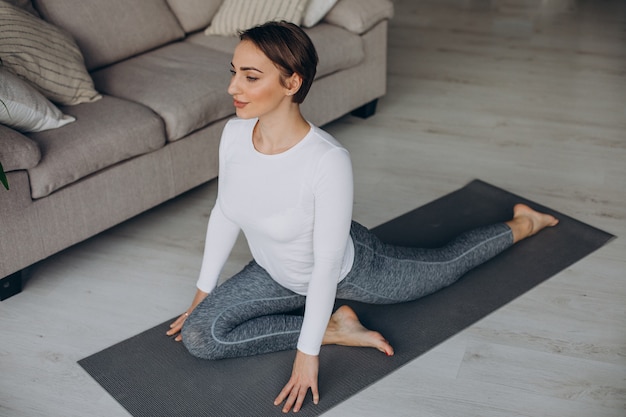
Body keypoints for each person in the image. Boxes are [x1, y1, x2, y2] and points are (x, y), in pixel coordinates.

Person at [166, 21, 559, 413]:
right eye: (233, 73)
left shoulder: (326, 159)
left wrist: (307, 354)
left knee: (445, 266)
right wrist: (203, 295)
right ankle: (336, 329)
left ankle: (524, 223)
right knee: (202, 336)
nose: (233, 87)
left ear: (291, 84)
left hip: (347, 269)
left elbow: (326, 263)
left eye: (250, 77)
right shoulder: (234, 135)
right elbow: (224, 212)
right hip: (274, 270)